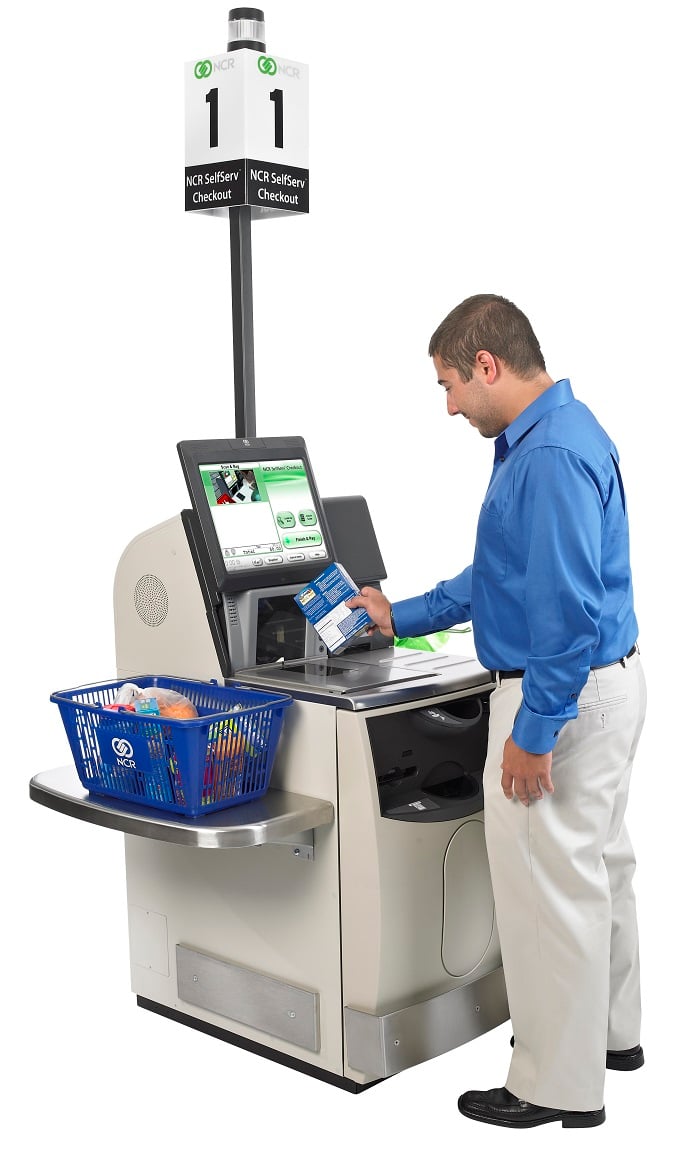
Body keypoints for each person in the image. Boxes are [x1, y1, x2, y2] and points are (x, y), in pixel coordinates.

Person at [346, 293, 646, 1130]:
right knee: (599, 874)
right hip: (609, 684)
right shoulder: (558, 435)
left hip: (565, 692)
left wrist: (534, 731)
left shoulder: (546, 456)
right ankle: (611, 1038)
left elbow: (563, 612)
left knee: (549, 894)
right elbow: (500, 578)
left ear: (488, 365)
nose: (449, 406)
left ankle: (554, 1085)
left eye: (448, 385)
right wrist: (397, 615)